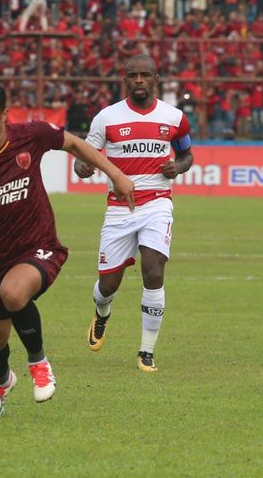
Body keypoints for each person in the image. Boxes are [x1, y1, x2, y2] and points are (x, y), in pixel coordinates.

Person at [0, 76, 134, 404]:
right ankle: (3, 381)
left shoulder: (31, 135)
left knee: (13, 294)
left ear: (4, 114)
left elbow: (73, 143)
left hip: (39, 246)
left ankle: (38, 363)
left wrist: (115, 174)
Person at [74, 54, 194, 373]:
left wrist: (177, 167)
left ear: (155, 79)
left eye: (145, 75)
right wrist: (83, 167)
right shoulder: (107, 118)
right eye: (133, 75)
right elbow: (83, 157)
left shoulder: (175, 118)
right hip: (119, 209)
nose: (139, 80)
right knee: (107, 286)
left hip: (157, 203)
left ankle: (146, 352)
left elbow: (187, 155)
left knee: (153, 270)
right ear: (125, 80)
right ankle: (102, 314)